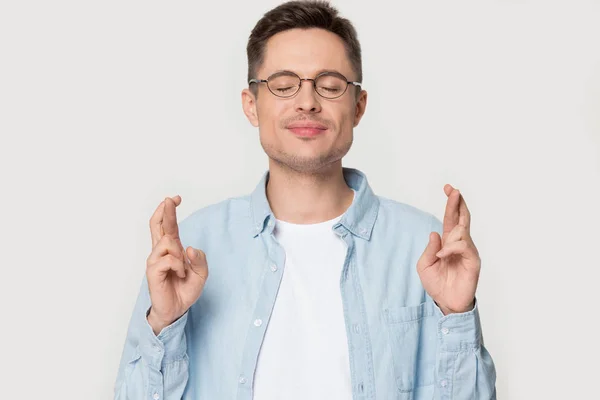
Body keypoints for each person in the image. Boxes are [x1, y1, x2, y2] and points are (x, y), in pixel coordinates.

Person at [113, 1, 497, 399]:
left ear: (358, 106)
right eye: (283, 85)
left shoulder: (425, 247)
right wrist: (164, 322)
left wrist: (457, 316)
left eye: (330, 86)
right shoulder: (191, 248)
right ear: (251, 105)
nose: (307, 102)